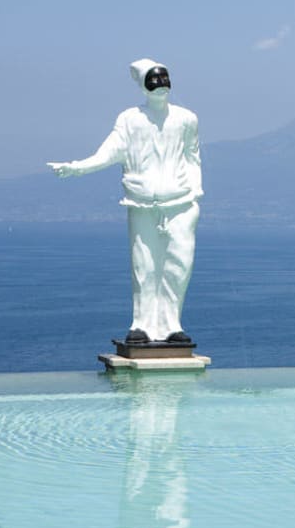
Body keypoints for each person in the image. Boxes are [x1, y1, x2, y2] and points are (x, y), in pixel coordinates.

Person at [48, 59, 203, 344]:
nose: (160, 86)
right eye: (154, 81)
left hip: (181, 202)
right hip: (142, 202)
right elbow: (109, 152)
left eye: (164, 80)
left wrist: (195, 193)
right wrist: (78, 167)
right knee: (144, 265)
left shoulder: (186, 119)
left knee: (178, 266)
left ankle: (171, 325)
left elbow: (193, 158)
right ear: (144, 85)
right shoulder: (129, 120)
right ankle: (142, 324)